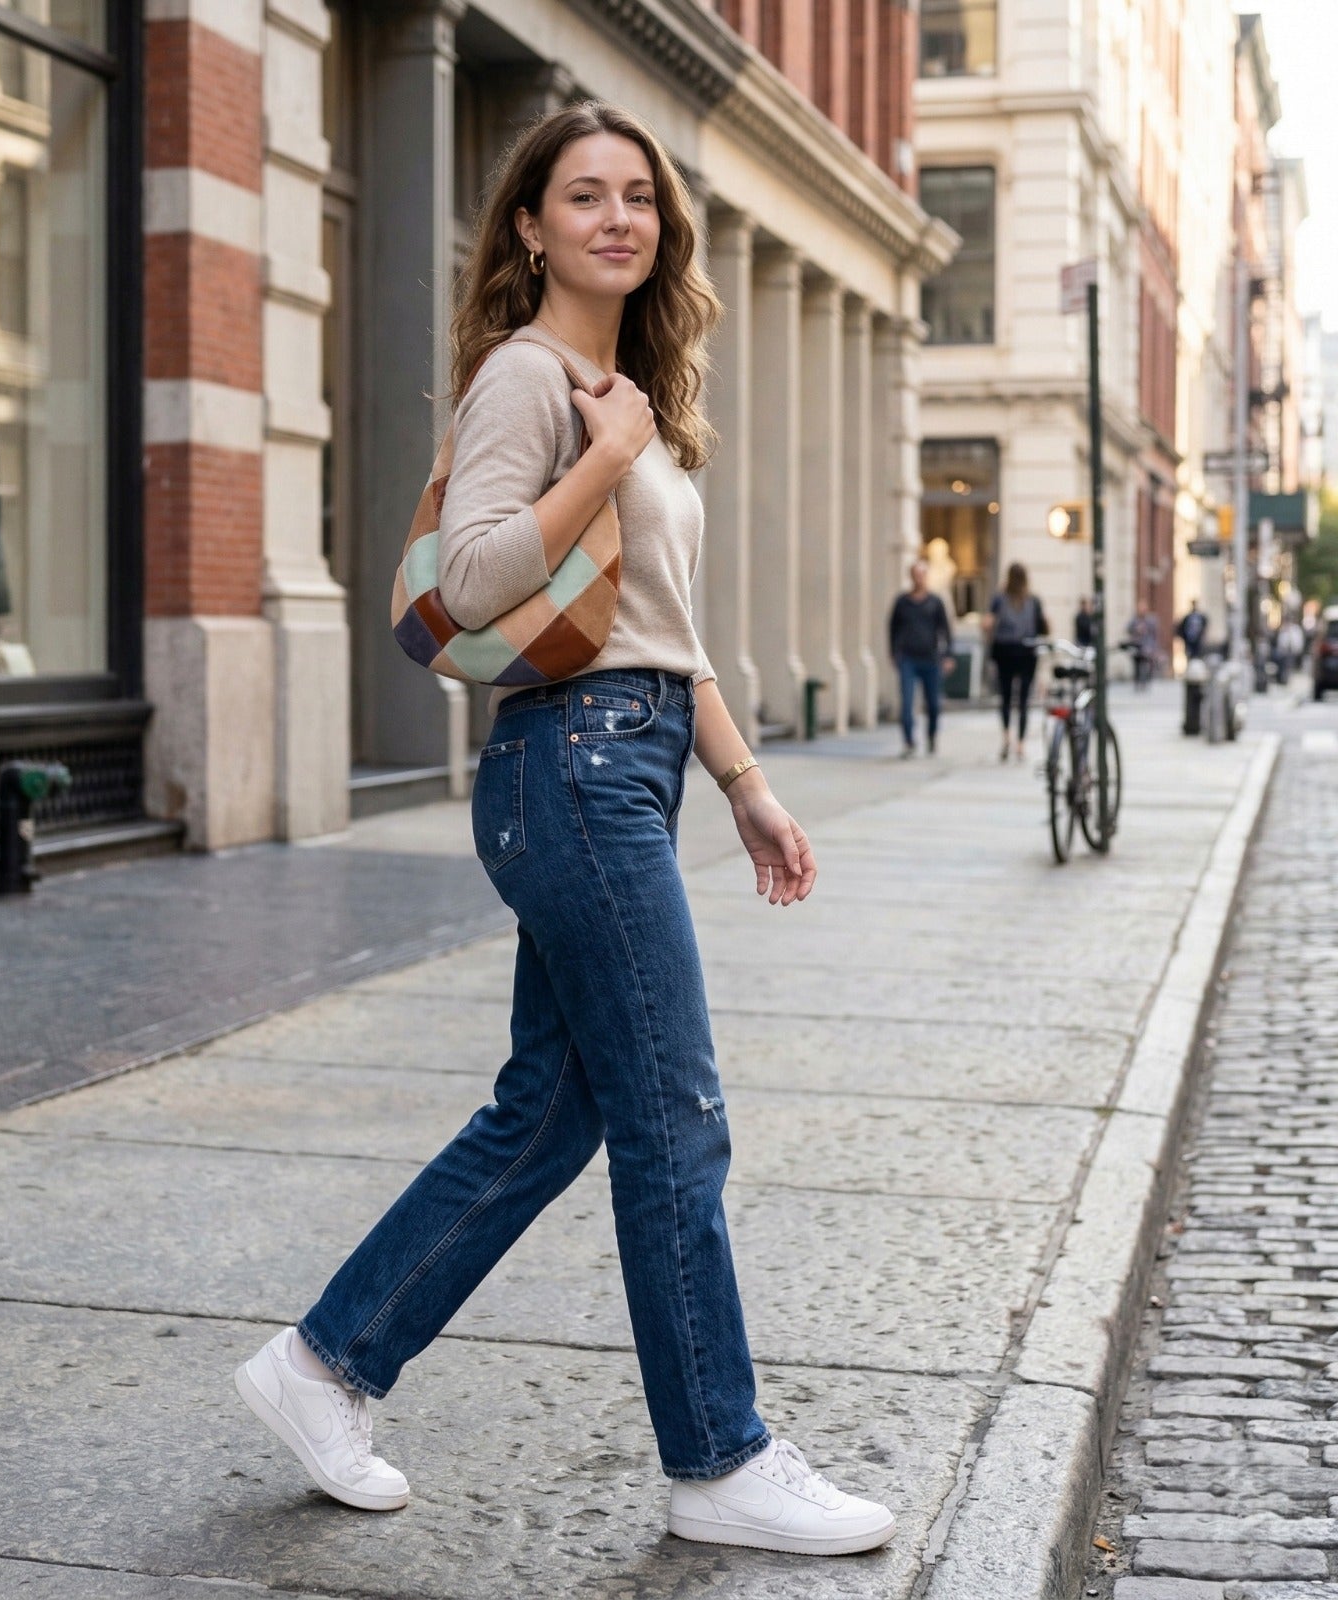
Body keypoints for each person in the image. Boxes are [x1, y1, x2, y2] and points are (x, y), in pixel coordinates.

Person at [230, 101, 895, 1560]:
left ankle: (321, 1366)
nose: (616, 217)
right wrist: (605, 460)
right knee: (675, 1114)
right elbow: (467, 583)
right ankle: (718, 1457)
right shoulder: (531, 382)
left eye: (638, 197)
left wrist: (747, 787)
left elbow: (669, 638)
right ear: (528, 225)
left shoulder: (620, 386)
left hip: (630, 760)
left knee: (552, 1113)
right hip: (569, 770)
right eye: (583, 194)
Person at [889, 559, 953, 757]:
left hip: (931, 659)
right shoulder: (902, 602)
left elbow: (946, 630)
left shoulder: (935, 602)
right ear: (911, 576)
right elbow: (892, 629)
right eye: (916, 574)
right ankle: (909, 742)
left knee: (933, 704)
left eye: (922, 574)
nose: (919, 578)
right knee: (907, 703)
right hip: (908, 658)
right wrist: (894, 653)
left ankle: (932, 735)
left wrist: (948, 655)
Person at [987, 563, 1048, 763]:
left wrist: (990, 637)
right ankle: (1020, 744)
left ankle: (1007, 737)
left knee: (1005, 698)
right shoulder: (1033, 600)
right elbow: (1043, 626)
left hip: (1005, 651)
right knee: (1023, 701)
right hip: (1026, 652)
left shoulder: (999, 599)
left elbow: (988, 623)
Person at [1126, 601, 1159, 688]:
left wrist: (1154, 648)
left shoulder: (1150, 620)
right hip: (1136, 646)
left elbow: (1154, 634)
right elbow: (1128, 629)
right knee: (1136, 665)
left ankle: (1144, 681)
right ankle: (1137, 682)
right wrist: (1136, 629)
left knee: (1145, 665)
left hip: (1147, 646)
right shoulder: (1134, 620)